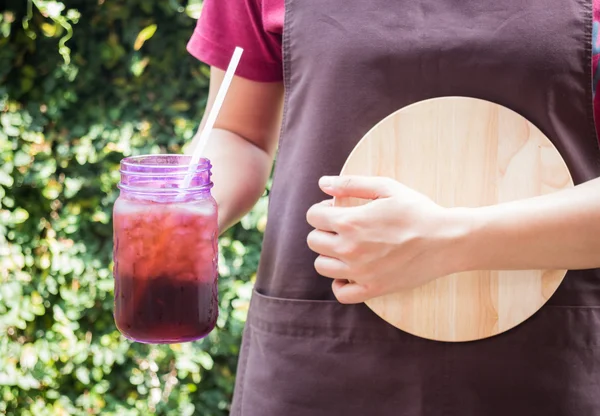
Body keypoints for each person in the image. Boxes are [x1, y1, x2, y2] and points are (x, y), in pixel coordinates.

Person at [185, 0, 600, 414]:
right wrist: (182, 215)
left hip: (550, 367)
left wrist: (450, 240)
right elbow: (239, 134)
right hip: (320, 359)